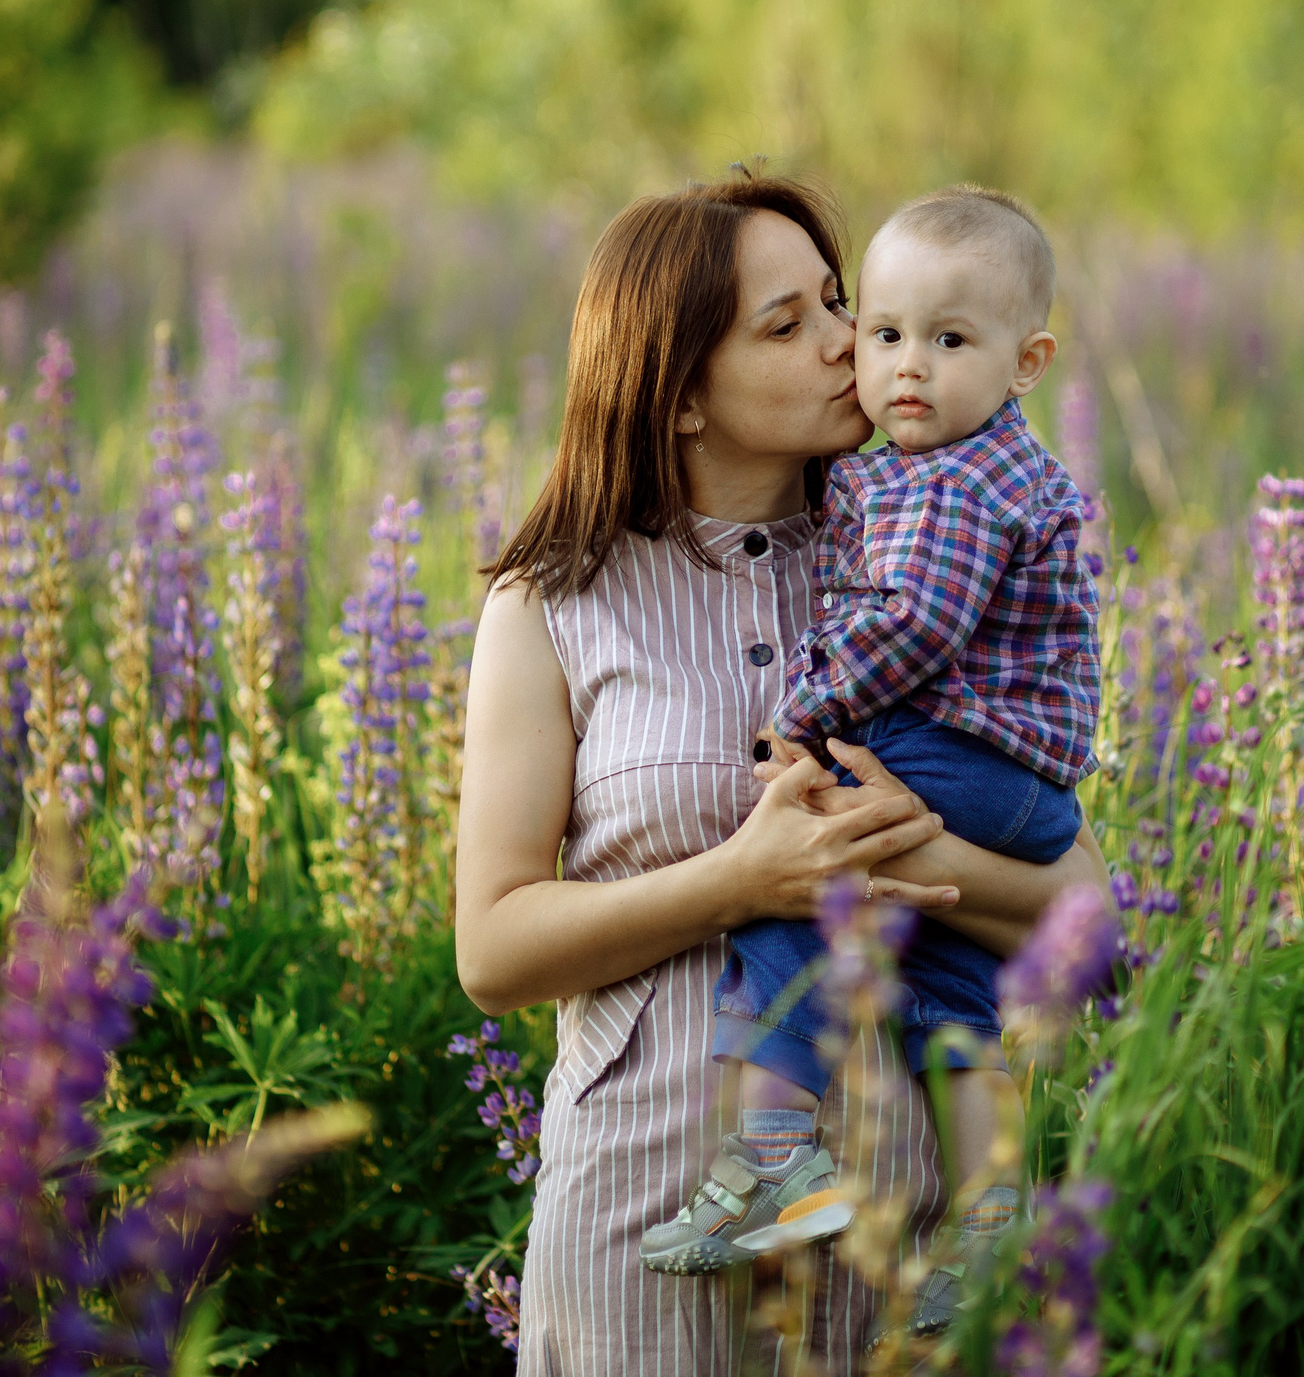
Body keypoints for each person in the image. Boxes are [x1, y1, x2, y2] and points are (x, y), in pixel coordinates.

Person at [454, 171, 1111, 1375]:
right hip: (644, 1238)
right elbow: (492, 952)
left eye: (837, 302)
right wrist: (741, 880)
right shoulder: (551, 603)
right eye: (786, 325)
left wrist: (900, 845)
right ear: (679, 395)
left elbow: (1086, 912)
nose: (848, 342)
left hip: (905, 1257)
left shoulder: (923, 555)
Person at [637, 187, 1097, 1340]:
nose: (882, 358)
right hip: (1013, 778)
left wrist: (804, 718)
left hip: (952, 753)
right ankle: (991, 1224)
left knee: (793, 887)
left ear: (1027, 361)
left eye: (945, 340)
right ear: (680, 393)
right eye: (882, 329)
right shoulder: (967, 467)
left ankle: (774, 1153)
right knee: (953, 999)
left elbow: (913, 625)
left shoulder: (951, 481)